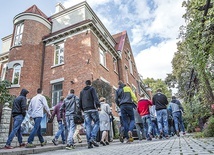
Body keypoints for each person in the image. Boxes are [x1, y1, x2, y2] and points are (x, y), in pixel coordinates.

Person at [79, 80, 100, 149]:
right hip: (93, 109)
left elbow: (80, 101)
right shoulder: (92, 89)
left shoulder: (82, 92)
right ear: (90, 84)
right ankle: (93, 137)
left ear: (85, 84)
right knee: (97, 122)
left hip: (85, 110)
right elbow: (95, 97)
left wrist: (82, 109)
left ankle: (89, 143)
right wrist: (98, 106)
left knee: (88, 126)